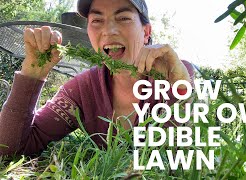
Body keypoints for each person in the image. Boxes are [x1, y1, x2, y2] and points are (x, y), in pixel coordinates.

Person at [0, 0, 194, 156]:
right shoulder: (82, 90)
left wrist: (180, 91)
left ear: (146, 32)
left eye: (123, 18)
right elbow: (9, 148)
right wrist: (32, 75)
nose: (108, 31)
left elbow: (181, 156)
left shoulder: (175, 73)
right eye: (97, 21)